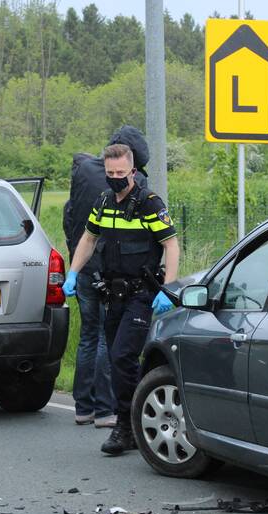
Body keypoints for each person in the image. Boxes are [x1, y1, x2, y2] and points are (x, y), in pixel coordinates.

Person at [62, 142, 180, 455]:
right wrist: (73, 272)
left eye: (122, 173)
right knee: (118, 361)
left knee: (122, 357)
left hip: (142, 294)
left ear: (133, 171)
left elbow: (171, 245)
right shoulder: (104, 201)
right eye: (111, 173)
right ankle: (136, 419)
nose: (117, 178)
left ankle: (127, 427)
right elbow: (89, 238)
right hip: (112, 293)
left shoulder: (149, 203)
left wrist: (168, 288)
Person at [62, 127, 153, 429]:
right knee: (105, 337)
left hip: (82, 266)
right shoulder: (133, 182)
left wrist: (74, 267)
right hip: (110, 273)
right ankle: (105, 410)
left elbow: (69, 215)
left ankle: (82, 407)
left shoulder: (86, 173)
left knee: (89, 335)